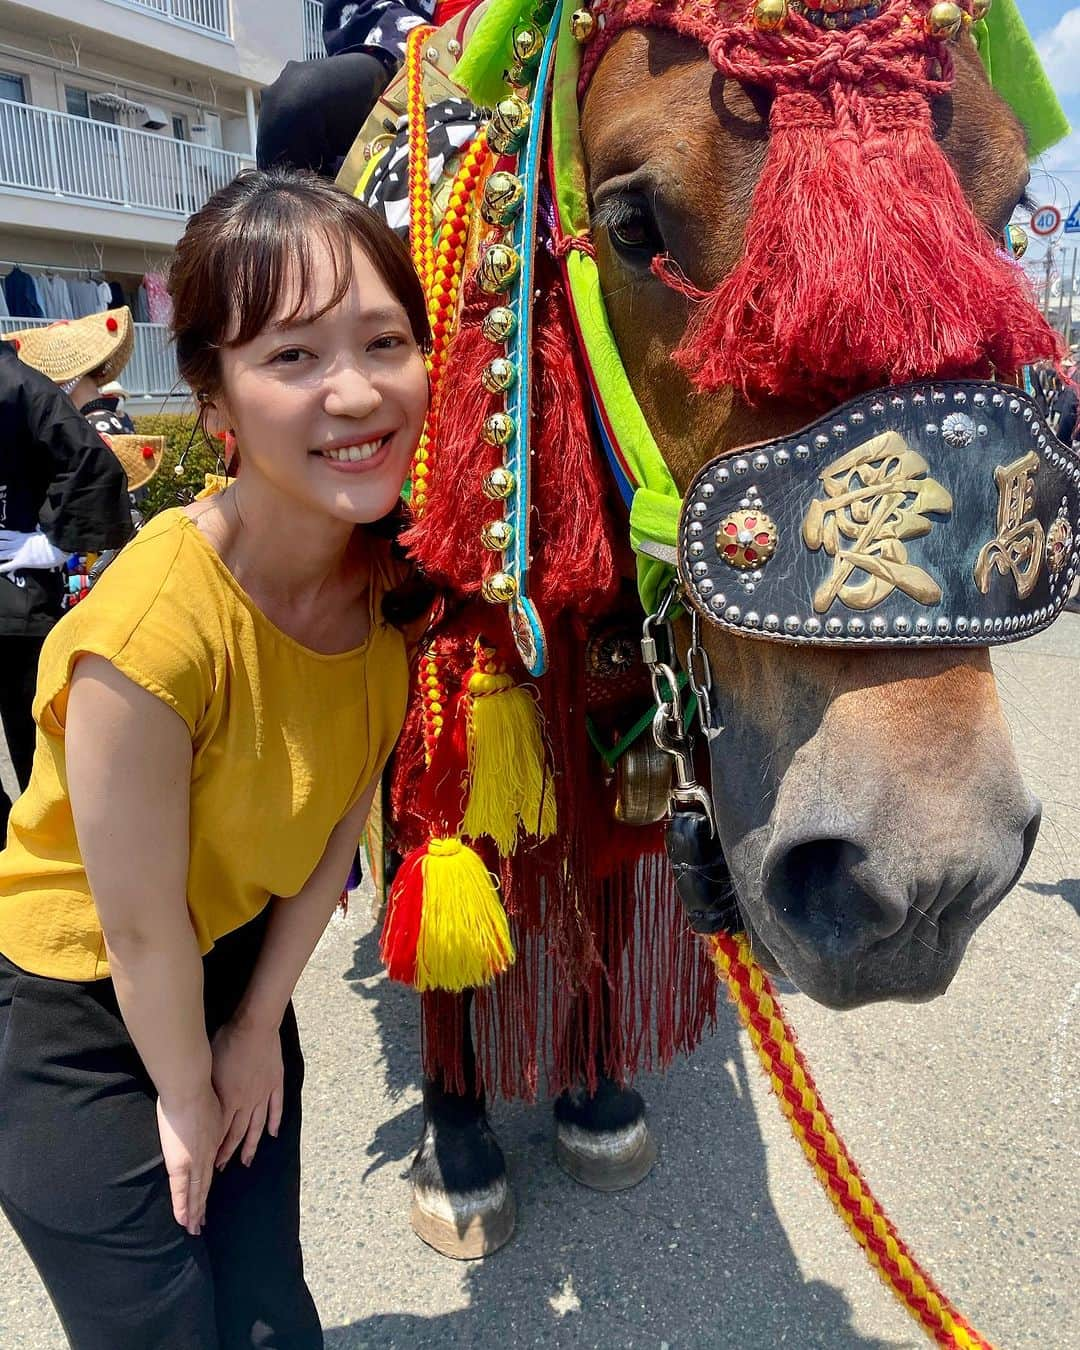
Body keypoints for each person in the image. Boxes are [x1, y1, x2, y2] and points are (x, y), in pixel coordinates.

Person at [0, 167, 431, 1349]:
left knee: (271, 1314)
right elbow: (136, 932)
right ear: (217, 401)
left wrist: (251, 1031)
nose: (354, 390)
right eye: (292, 357)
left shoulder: (388, 596)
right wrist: (186, 1092)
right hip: (77, 1002)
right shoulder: (151, 636)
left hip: (234, 970)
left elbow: (344, 824)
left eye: (383, 340)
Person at [0, 330, 133, 839]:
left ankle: (56, 870)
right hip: (18, 597)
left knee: (40, 755)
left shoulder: (19, 386)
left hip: (21, 600)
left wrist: (49, 545)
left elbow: (91, 461)